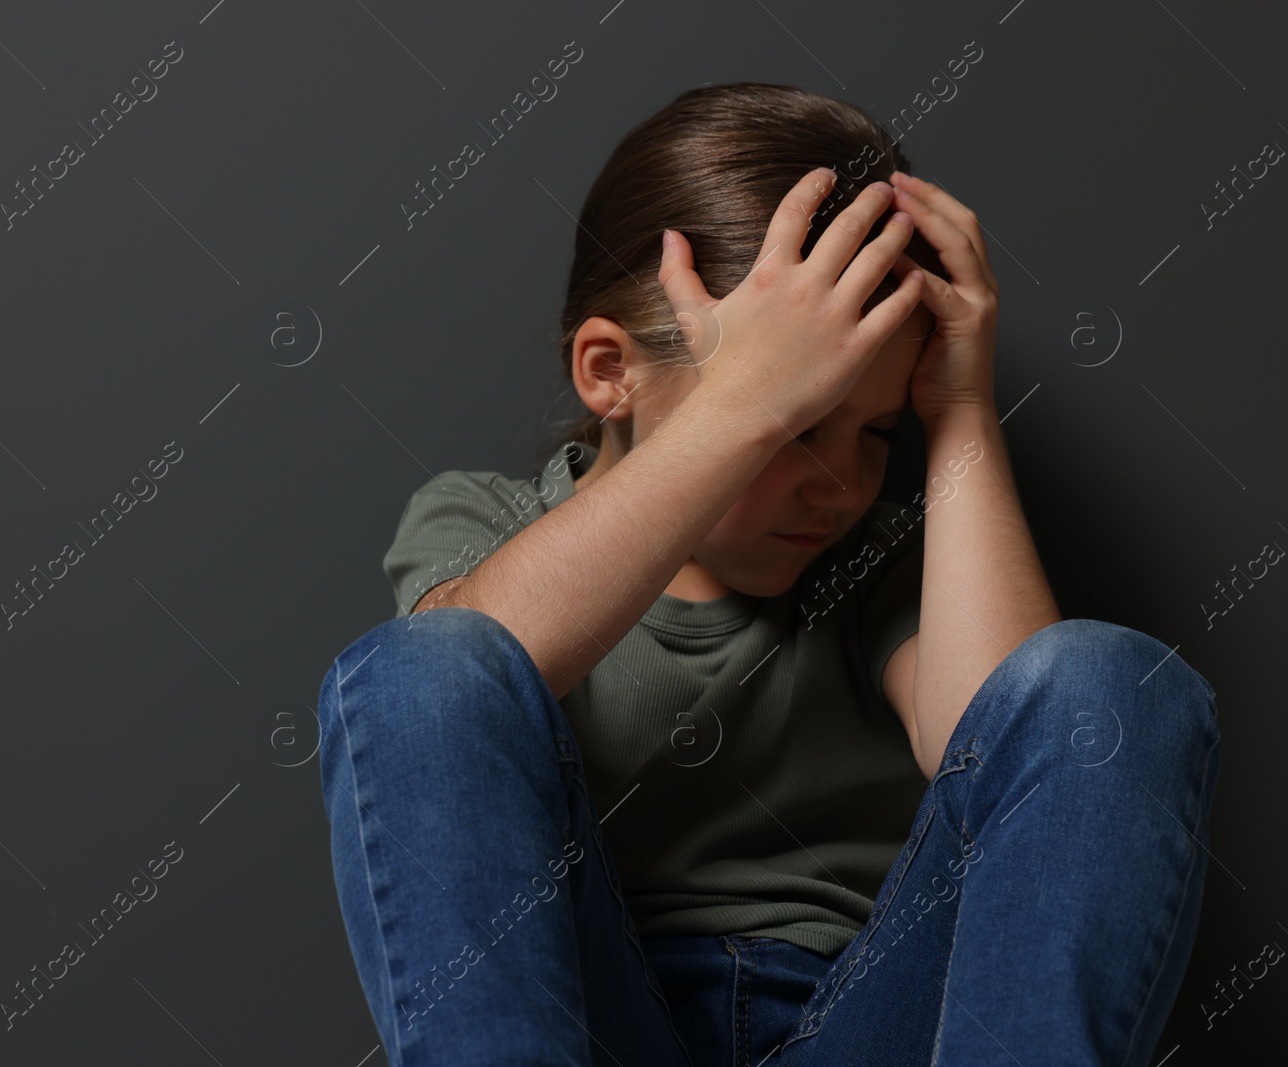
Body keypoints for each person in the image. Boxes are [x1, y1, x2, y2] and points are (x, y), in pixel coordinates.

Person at [316, 83, 1220, 1066]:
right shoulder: (486, 521)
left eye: (874, 431)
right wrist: (738, 405)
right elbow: (456, 682)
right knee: (421, 665)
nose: (836, 483)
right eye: (792, 427)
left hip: (870, 1023)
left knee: (1103, 677)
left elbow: (1010, 731)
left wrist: (958, 408)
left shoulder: (882, 557)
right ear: (609, 370)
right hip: (592, 1024)